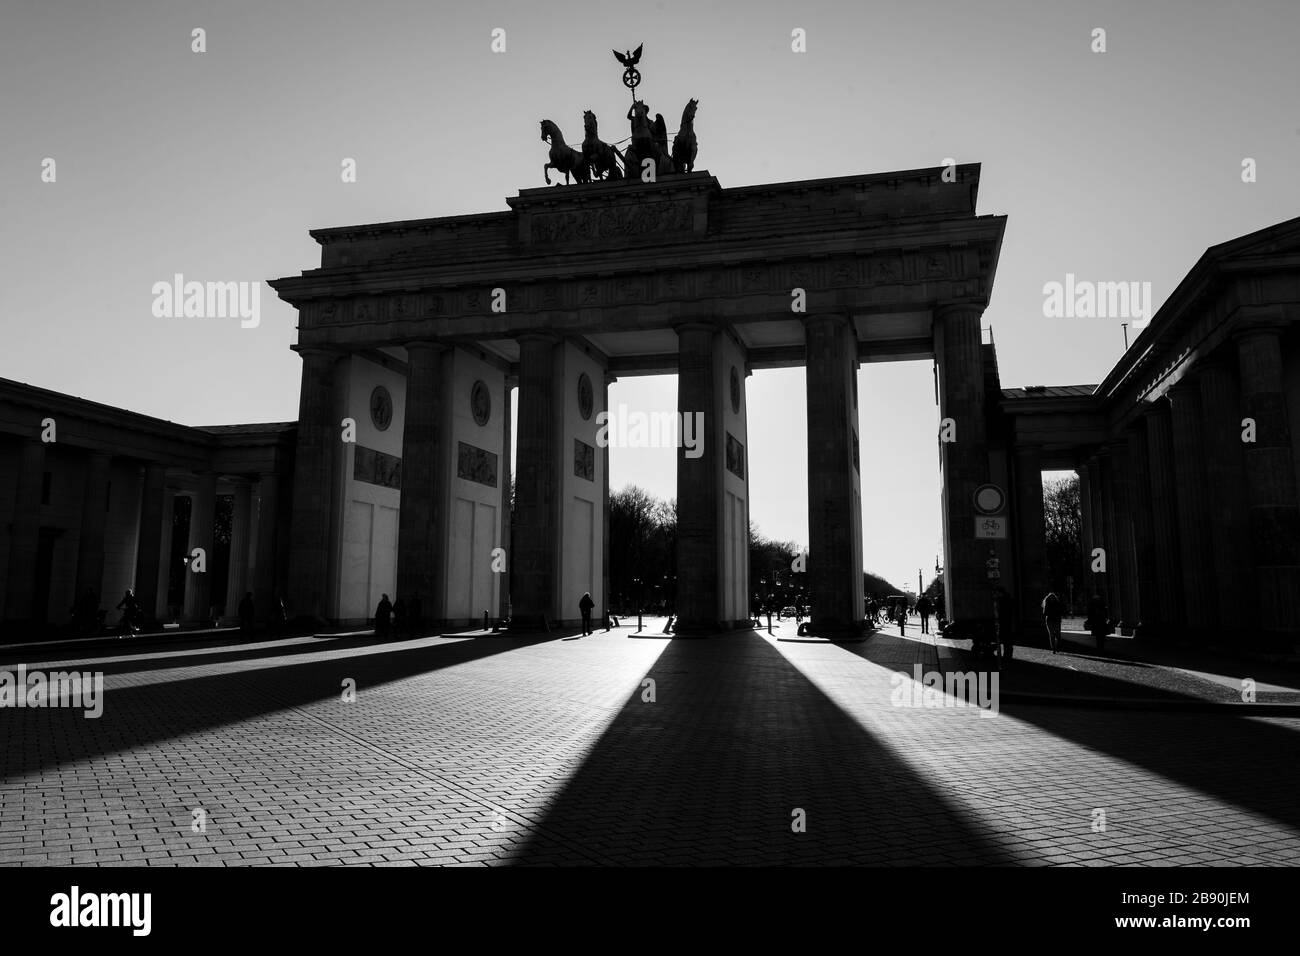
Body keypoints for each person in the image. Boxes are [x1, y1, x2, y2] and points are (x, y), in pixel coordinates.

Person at [995, 587, 1015, 663]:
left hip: (1004, 622)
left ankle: (1007, 657)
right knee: (1007, 641)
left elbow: (1002, 612)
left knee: (1006, 641)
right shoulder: (1008, 599)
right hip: (1007, 623)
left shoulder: (1003, 600)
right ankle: (1008, 656)